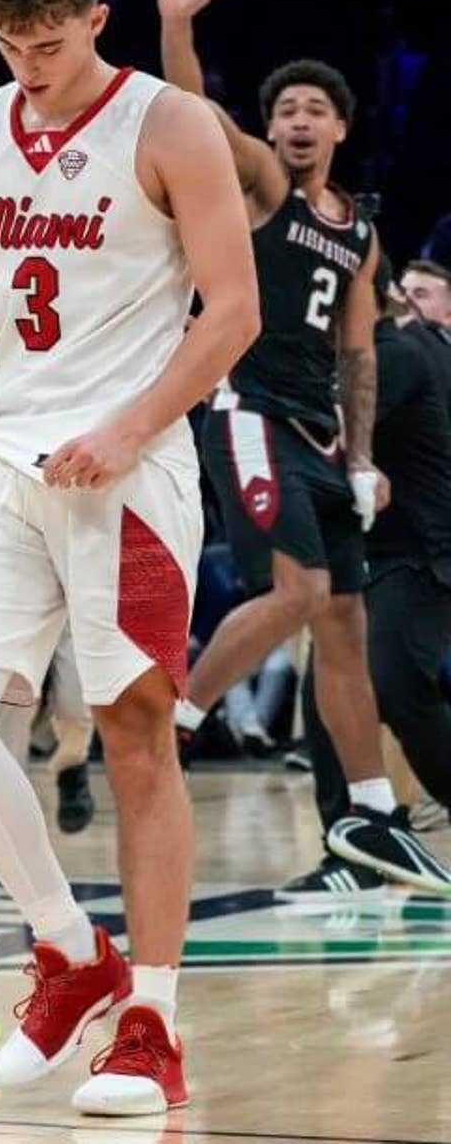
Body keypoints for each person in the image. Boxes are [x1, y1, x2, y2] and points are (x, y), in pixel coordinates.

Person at [0, 0, 260, 1116]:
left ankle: (152, 1020)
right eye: (7, 41)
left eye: (48, 42)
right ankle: (69, 948)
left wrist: (130, 425)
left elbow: (232, 313)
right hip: (6, 459)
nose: (27, 63)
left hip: (135, 468)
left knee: (133, 732)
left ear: (99, 18)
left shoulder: (172, 125)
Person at [153, 0, 450, 894]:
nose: (296, 120)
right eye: (284, 109)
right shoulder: (263, 190)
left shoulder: (360, 233)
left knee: (346, 622)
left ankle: (370, 811)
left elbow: (360, 353)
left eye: (314, 109)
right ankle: (176, 720)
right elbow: (196, 115)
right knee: (297, 593)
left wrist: (363, 455)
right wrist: (176, 25)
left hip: (320, 431)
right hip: (249, 411)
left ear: (341, 130)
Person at [290, 278, 451, 898]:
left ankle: (376, 835)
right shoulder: (385, 351)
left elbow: (323, 430)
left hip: (421, 551)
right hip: (373, 553)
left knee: (398, 685)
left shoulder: (397, 356)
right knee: (324, 696)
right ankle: (356, 849)